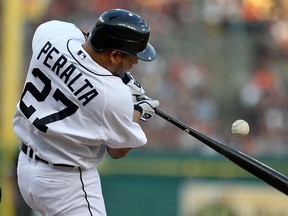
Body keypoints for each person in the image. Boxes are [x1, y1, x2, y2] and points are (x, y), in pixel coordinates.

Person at [13, 9, 159, 216]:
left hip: (26, 169)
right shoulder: (112, 94)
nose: (135, 63)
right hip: (66, 185)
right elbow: (119, 150)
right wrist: (138, 108)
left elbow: (83, 37)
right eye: (133, 57)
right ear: (114, 55)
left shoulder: (50, 34)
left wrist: (115, 73)